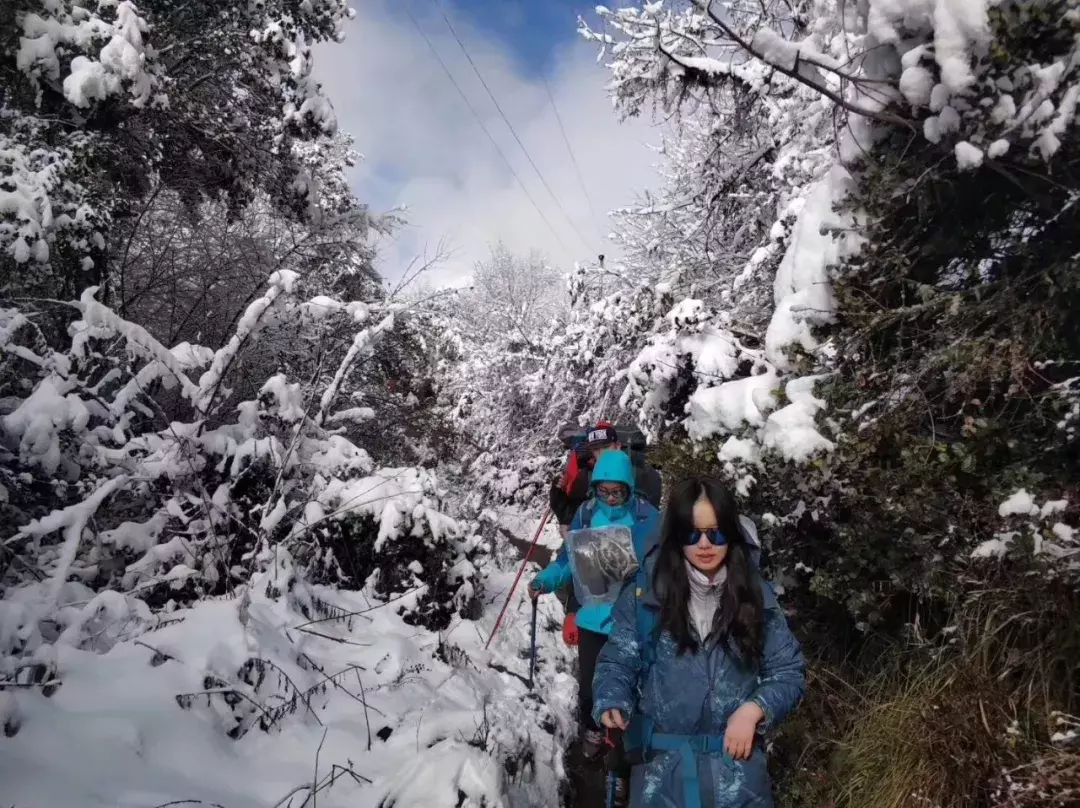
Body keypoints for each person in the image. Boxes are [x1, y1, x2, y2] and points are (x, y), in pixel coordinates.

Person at [592, 477, 805, 808]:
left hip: (739, 780)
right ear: (676, 537)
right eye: (692, 533)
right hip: (660, 777)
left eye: (716, 532)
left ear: (731, 535)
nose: (705, 544)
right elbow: (619, 658)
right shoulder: (645, 596)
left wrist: (754, 710)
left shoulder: (754, 596)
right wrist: (611, 698)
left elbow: (788, 670)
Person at [530, 448, 661, 806]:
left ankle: (619, 768)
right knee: (590, 687)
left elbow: (665, 564)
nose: (610, 497)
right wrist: (547, 579)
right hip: (593, 619)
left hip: (633, 621)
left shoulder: (649, 518)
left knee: (629, 697)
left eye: (617, 490)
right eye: (603, 490)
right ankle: (592, 727)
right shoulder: (587, 514)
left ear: (630, 487)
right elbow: (567, 559)